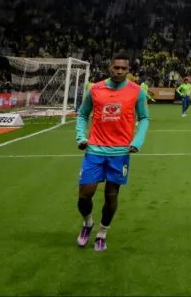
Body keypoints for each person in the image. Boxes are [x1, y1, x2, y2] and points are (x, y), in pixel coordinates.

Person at [75, 53, 150, 252]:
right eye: (116, 67)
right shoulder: (95, 89)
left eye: (123, 68)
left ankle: (102, 233)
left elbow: (144, 118)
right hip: (94, 149)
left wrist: (138, 141)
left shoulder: (137, 91)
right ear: (110, 67)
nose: (119, 71)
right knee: (85, 194)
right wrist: (81, 137)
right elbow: (82, 114)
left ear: (129, 71)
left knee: (111, 195)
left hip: (120, 152)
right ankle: (88, 223)